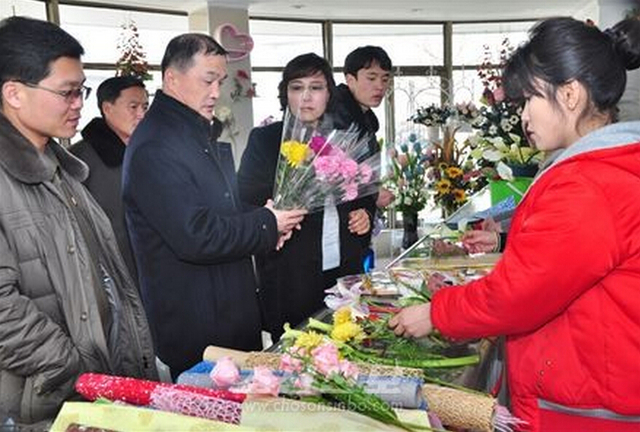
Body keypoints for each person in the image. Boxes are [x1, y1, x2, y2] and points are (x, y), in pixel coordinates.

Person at [390, 17, 640, 432]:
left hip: (584, 407)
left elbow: (519, 295)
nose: (523, 116)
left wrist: (437, 313)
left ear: (571, 94)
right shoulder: (605, 166)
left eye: (529, 100)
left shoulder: (589, 182)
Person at [0, 17, 157, 426]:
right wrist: (74, 369)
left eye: (81, 90)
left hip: (97, 388)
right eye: (67, 93)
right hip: (46, 400)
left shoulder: (62, 166)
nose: (79, 104)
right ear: (13, 93)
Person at [122, 33, 306, 376]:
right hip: (199, 325)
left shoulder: (191, 133)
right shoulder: (156, 146)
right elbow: (197, 235)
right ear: (172, 78)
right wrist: (265, 223)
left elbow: (219, 213)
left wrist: (266, 222)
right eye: (208, 80)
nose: (216, 92)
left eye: (220, 81)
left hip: (226, 311)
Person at [237, 53, 372, 339]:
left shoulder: (345, 138)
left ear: (329, 94)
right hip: (290, 273)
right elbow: (246, 199)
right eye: (297, 87)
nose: (306, 97)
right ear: (286, 94)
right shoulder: (266, 140)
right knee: (294, 357)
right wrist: (280, 207)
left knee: (350, 344)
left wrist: (366, 214)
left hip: (343, 265)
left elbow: (363, 190)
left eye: (316, 87)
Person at [70, 76, 148, 282]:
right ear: (107, 108)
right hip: (110, 276)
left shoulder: (148, 152)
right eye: (133, 106)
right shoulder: (79, 159)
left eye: (145, 106)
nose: (141, 114)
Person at [330, 45, 394, 256]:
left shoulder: (364, 118)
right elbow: (333, 176)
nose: (379, 86)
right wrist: (374, 194)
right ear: (350, 80)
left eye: (385, 79)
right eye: (371, 78)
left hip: (357, 221)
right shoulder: (338, 118)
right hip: (339, 229)